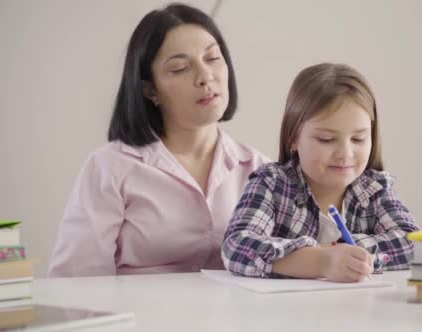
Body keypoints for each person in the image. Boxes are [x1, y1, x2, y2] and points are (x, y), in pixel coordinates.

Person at [48, 3, 269, 277]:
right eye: (179, 68)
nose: (205, 77)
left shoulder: (260, 170)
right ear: (150, 89)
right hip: (137, 318)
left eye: (212, 58)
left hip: (234, 319)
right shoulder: (110, 168)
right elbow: (75, 281)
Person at [222, 63, 420, 283]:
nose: (345, 154)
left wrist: (350, 253)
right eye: (326, 139)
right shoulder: (271, 184)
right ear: (294, 138)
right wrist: (322, 259)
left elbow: (413, 243)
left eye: (358, 139)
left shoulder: (376, 189)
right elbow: (236, 246)